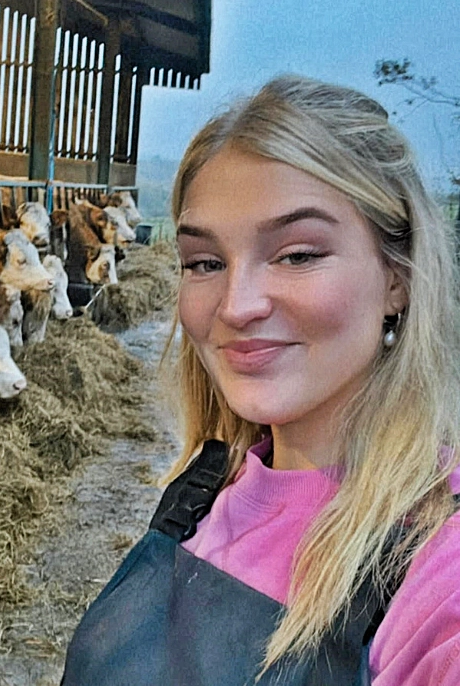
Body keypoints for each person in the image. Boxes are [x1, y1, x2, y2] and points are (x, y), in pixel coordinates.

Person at [61, 75, 460, 685]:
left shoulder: (437, 575)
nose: (235, 305)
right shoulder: (201, 492)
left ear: (398, 278)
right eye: (205, 262)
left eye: (298, 253)